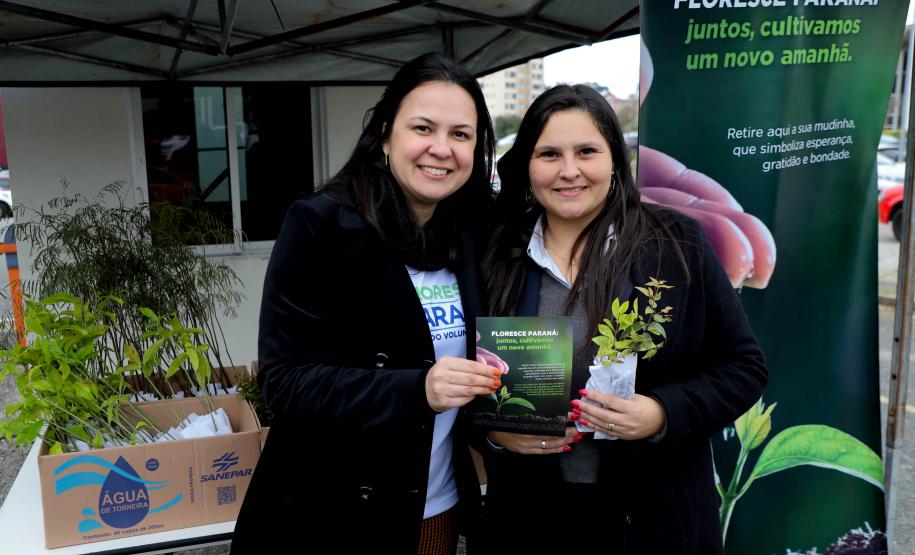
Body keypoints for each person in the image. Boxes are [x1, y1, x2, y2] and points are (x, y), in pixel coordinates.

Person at [477, 84, 768, 554]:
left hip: (649, 519)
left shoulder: (676, 246)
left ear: (615, 159)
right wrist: (491, 433)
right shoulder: (498, 253)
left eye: (586, 151)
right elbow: (464, 373)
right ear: (527, 165)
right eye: (549, 153)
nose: (569, 171)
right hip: (531, 519)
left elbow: (744, 367)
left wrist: (662, 414)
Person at [231, 52, 498, 554]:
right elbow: (284, 383)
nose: (441, 149)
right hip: (332, 515)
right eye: (423, 127)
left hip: (431, 501)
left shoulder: (469, 232)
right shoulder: (322, 225)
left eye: (461, 134)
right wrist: (417, 389)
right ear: (385, 134)